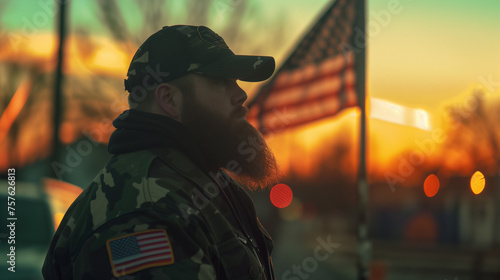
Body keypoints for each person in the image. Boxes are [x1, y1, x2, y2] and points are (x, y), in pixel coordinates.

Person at [42, 25, 280, 279]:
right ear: (169, 99)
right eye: (220, 81)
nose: (241, 94)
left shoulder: (204, 184)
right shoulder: (146, 209)